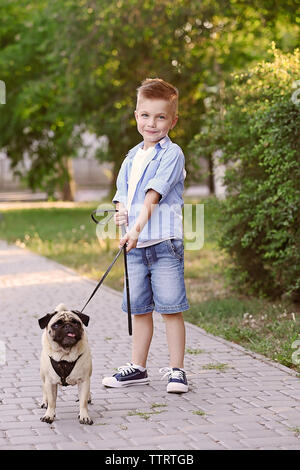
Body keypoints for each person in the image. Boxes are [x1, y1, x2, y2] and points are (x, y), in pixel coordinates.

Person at [102, 78, 189, 393]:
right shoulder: (131, 156)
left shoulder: (172, 153)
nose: (152, 123)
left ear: (172, 120)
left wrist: (136, 228)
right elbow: (122, 193)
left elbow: (154, 194)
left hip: (164, 244)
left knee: (170, 307)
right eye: (146, 115)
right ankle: (138, 367)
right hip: (135, 248)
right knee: (138, 308)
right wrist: (121, 215)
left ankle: (177, 370)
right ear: (136, 115)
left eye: (161, 117)